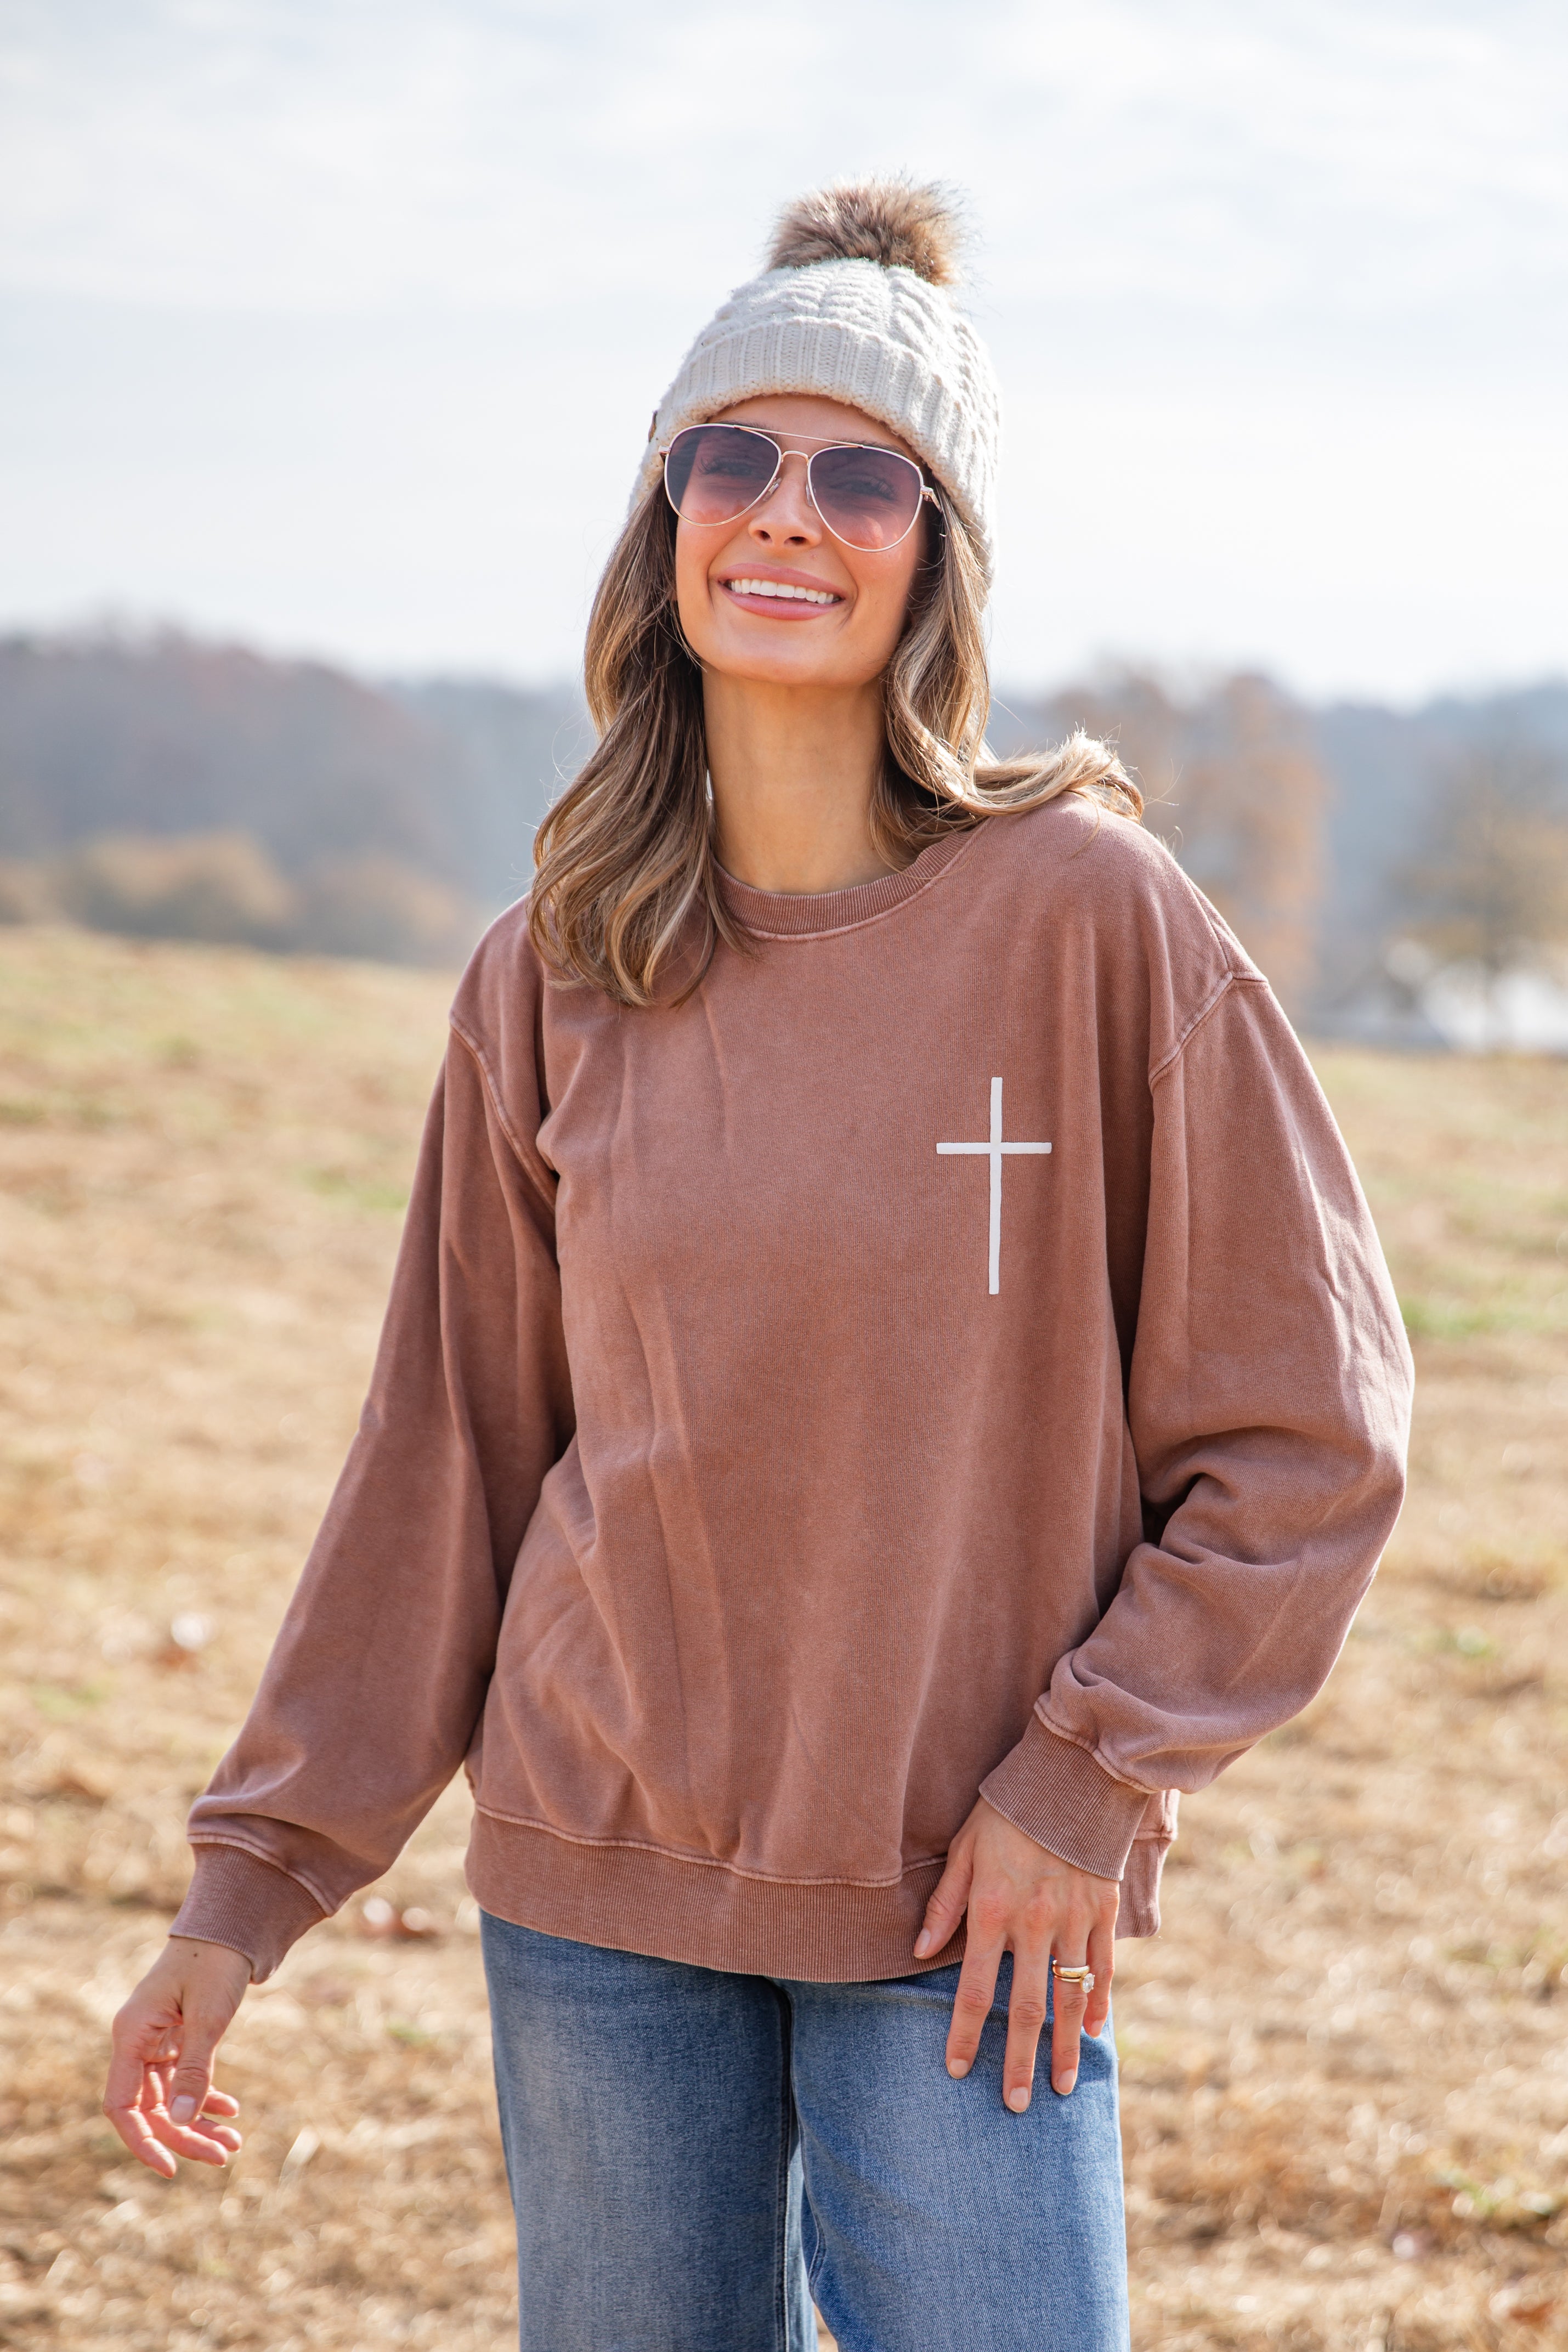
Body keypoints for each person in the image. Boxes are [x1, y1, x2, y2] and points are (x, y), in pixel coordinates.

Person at [104, 179, 1413, 2352]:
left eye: (858, 474)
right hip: (601, 1894)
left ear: (936, 554)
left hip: (972, 1909)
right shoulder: (555, 971)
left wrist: (1082, 1784)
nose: (783, 514)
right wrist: (247, 1891)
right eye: (731, 458)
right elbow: (444, 1463)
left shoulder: (1089, 921)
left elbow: (1305, 1436)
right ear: (664, 523)